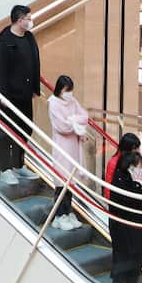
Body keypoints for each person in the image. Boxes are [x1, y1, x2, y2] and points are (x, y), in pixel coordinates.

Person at [0, 4, 41, 182]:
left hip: (26, 93)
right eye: (28, 18)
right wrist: (3, 95)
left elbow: (35, 62)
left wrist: (35, 88)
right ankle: (5, 169)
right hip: (9, 96)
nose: (30, 21)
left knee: (25, 129)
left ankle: (18, 165)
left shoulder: (29, 37)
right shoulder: (4, 41)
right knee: (7, 131)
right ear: (20, 20)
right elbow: (0, 71)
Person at [47, 75, 88, 230]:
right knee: (61, 181)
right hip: (62, 147)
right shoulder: (53, 103)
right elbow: (61, 127)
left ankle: (68, 212)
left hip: (74, 148)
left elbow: (85, 116)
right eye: (66, 90)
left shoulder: (72, 101)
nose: (69, 94)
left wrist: (72, 119)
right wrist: (74, 123)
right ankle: (59, 215)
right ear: (60, 89)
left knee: (71, 182)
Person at [108, 151, 142, 283]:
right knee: (123, 257)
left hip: (134, 227)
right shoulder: (120, 180)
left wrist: (137, 183)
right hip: (123, 228)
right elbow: (132, 201)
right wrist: (137, 184)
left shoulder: (132, 179)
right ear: (130, 167)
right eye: (139, 167)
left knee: (137, 257)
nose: (141, 170)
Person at [104, 132, 142, 197]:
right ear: (127, 148)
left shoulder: (135, 160)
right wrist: (111, 203)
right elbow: (108, 186)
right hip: (119, 201)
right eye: (135, 148)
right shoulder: (114, 162)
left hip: (130, 200)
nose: (138, 151)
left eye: (138, 148)